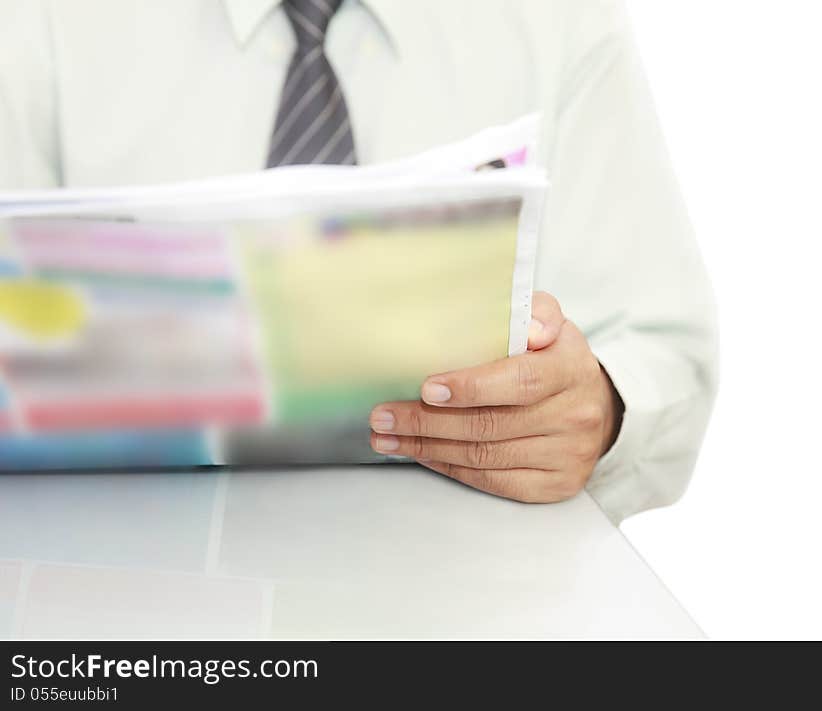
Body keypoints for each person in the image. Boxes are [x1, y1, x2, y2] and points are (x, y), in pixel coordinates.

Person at [0, 0, 718, 524]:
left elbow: (662, 352)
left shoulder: (563, 19)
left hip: (472, 595)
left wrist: (598, 409)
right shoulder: (37, 21)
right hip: (120, 578)